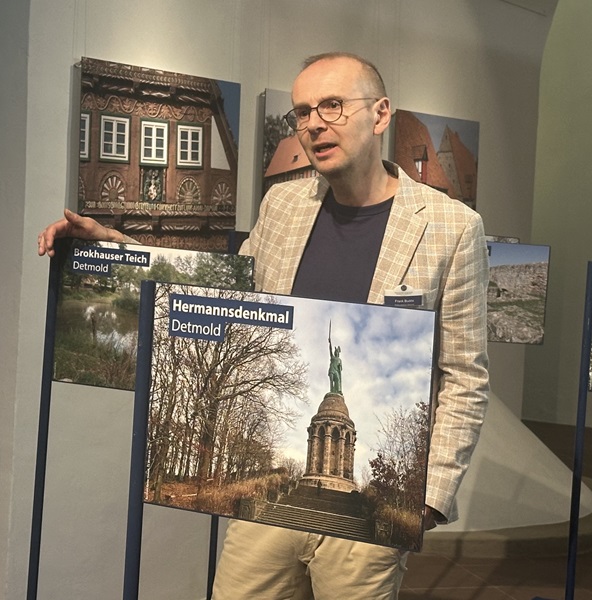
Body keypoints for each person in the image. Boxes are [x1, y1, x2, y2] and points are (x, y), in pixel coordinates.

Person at [38, 51, 489, 600]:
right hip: (267, 518)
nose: (314, 124)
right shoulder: (283, 205)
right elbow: (218, 296)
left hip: (363, 537)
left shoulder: (452, 228)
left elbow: (464, 375)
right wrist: (113, 248)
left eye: (332, 105)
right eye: (302, 112)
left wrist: (430, 497)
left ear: (381, 113)